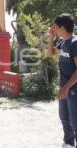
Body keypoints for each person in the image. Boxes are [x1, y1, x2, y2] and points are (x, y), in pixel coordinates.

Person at [47, 13, 77, 148]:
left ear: (62, 27)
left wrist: (66, 87)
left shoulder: (75, 43)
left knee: (75, 120)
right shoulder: (62, 42)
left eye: (55, 27)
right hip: (64, 87)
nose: (54, 29)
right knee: (64, 116)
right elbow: (50, 53)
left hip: (73, 88)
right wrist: (51, 37)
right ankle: (69, 141)